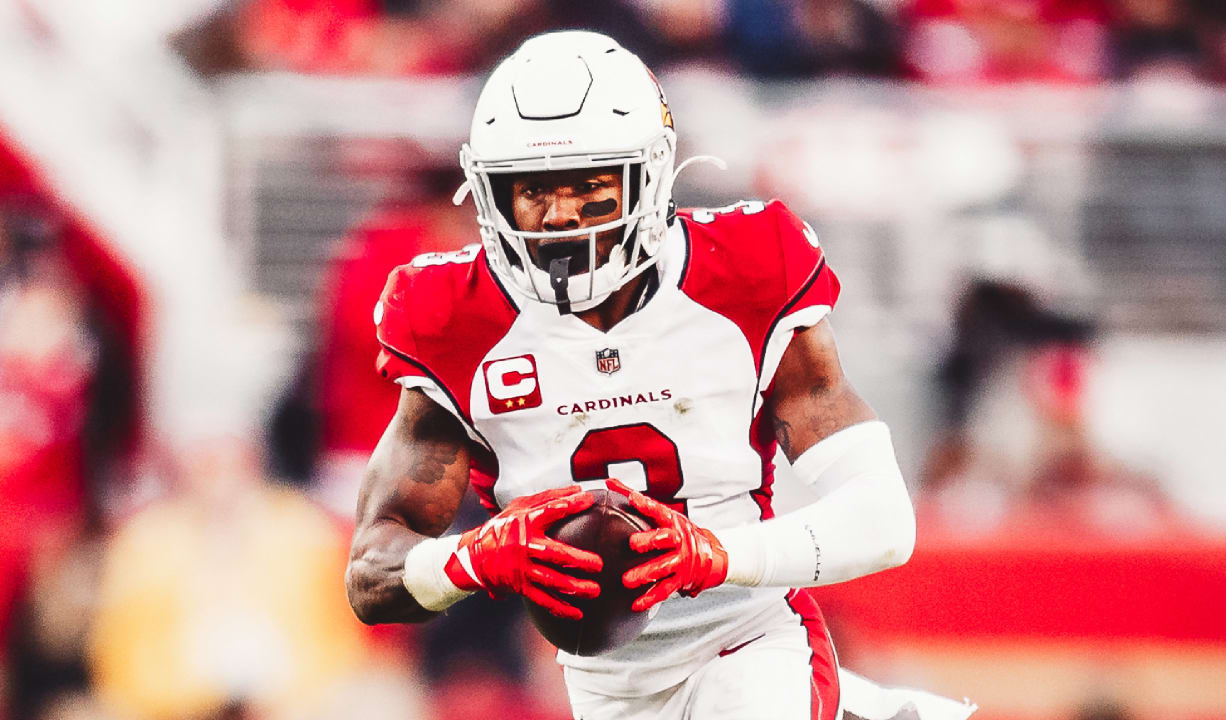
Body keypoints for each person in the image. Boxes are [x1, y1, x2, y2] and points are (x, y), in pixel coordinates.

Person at [346, 30, 937, 720]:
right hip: (605, 686)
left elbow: (883, 520)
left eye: (588, 184)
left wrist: (715, 556)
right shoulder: (451, 316)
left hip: (748, 641)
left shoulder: (743, 269)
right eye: (531, 189)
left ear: (650, 175)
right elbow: (372, 575)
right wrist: (475, 558)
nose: (558, 214)